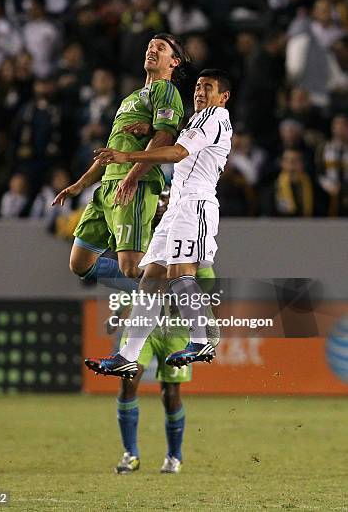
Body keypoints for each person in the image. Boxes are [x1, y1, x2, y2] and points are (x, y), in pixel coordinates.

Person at [86, 68, 232, 378]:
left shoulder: (214, 117)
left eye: (208, 87)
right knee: (150, 280)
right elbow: (182, 139)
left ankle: (201, 338)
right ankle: (127, 355)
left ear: (223, 96)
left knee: (181, 273)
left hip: (195, 205)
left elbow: (178, 152)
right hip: (177, 207)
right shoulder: (199, 120)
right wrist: (149, 128)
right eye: (197, 86)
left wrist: (129, 157)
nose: (200, 92)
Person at [52, 33, 187, 290]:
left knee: (132, 266)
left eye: (161, 48)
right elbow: (110, 150)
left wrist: (132, 177)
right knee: (80, 263)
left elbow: (164, 137)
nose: (152, 50)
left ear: (174, 62)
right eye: (150, 46)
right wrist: (79, 185)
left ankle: (177, 294)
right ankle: (151, 293)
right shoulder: (130, 99)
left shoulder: (166, 91)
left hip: (135, 183)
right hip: (108, 186)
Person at [110, 187, 217, 474]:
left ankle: (174, 455)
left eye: (166, 200)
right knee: (127, 380)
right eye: (159, 200)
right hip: (144, 328)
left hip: (176, 331)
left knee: (170, 394)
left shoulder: (191, 238)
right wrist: (125, 308)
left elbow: (204, 287)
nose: (161, 205)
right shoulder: (144, 240)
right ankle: (129, 454)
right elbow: (132, 279)